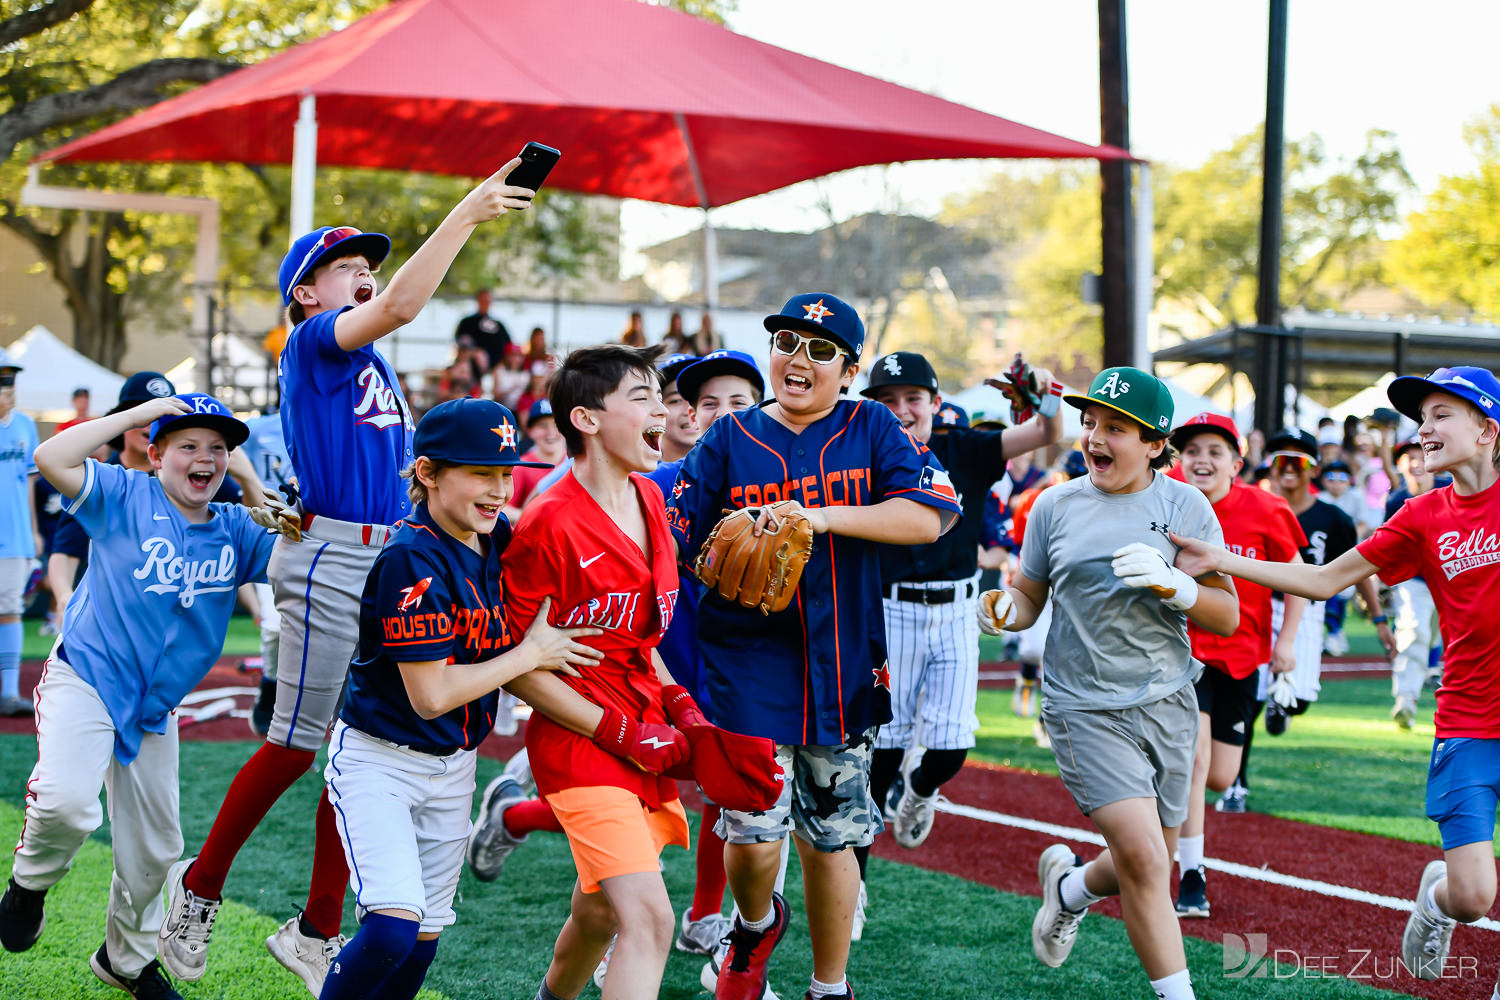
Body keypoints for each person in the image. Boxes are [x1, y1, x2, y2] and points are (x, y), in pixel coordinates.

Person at [159, 153, 541, 995]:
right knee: (298, 744)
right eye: (346, 270)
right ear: (305, 294)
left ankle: (318, 929)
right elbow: (407, 301)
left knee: (356, 741)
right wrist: (468, 212)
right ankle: (198, 889)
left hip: (375, 550)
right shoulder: (314, 343)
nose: (368, 279)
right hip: (336, 558)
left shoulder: (367, 364)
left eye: (369, 267)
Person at [666, 294, 963, 1000]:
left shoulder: (873, 426)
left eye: (821, 350)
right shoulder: (730, 437)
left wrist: (817, 517)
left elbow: (928, 519)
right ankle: (756, 923)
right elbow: (678, 537)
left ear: (850, 369)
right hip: (746, 661)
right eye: (788, 342)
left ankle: (831, 986)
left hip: (844, 662)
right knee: (753, 833)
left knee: (834, 838)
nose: (799, 359)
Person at [1169, 366, 1500, 986]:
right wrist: (1223, 558)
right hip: (1469, 724)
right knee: (1475, 897)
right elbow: (1322, 581)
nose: (1423, 428)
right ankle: (1439, 899)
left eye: (1440, 415)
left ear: (1487, 429)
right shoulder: (1421, 517)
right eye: (1421, 416)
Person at [316, 397, 598, 1000]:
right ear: (427, 472)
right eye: (480, 473)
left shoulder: (498, 540)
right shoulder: (410, 557)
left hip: (456, 763)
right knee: (393, 929)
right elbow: (431, 695)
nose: (498, 489)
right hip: (381, 760)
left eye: (503, 473)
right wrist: (527, 656)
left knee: (424, 940)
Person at [0, 393, 275, 1000]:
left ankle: (125, 963)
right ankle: (28, 884)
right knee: (68, 804)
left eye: (218, 449)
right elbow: (50, 454)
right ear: (155, 454)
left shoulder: (234, 526)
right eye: (187, 446)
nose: (204, 459)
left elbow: (298, 550)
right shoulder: (124, 494)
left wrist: (251, 475)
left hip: (155, 707)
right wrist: (133, 418)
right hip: (89, 678)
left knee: (154, 852)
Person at [978, 367, 1238, 1000]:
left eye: (1115, 427)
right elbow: (1029, 597)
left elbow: (1226, 615)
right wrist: (1002, 610)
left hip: (1170, 700)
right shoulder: (1055, 504)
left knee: (1145, 860)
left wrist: (1177, 586)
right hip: (1083, 707)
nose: (1096, 437)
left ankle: (1069, 890)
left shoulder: (1186, 506)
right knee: (1148, 861)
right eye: (1092, 423)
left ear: (1155, 445)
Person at [503, 343, 698, 1000]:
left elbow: (640, 639)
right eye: (642, 397)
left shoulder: (649, 496)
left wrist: (677, 702)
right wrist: (616, 732)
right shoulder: (547, 525)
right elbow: (517, 668)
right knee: (649, 918)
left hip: (640, 724)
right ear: (586, 420)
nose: (662, 410)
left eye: (660, 396)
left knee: (601, 911)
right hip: (580, 740)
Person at [853, 350, 1063, 937]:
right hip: (889, 610)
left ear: (935, 403)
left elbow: (1047, 430)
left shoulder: (963, 447)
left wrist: (1042, 391)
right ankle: (857, 885)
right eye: (887, 401)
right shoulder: (862, 453)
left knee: (949, 749)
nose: (901, 410)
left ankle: (919, 793)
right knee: (881, 754)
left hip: (956, 610)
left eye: (913, 398)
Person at [1166, 412, 1305, 920]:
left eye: (1214, 451)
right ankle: (1193, 876)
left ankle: (1169, 809)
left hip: (1243, 657)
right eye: (1193, 450)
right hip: (1182, 653)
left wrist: (1286, 640)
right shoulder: (1165, 501)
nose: (1202, 460)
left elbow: (1296, 579)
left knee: (1221, 777)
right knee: (1195, 761)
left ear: (1237, 462)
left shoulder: (1267, 508)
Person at [46, 372, 180, 625]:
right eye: (144, 412)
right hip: (110, 618)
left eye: (161, 416)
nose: (150, 423)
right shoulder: (98, 480)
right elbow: (66, 549)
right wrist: (64, 596)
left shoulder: (190, 479)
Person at [1382, 439, 1445, 728]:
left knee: (1439, 637)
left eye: (1422, 455)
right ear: (1399, 465)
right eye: (1409, 458)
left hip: (1453, 579)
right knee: (1413, 631)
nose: (1417, 463)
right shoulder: (1396, 501)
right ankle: (1406, 700)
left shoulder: (1451, 485)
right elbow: (1387, 545)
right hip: (1415, 580)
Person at [0, 350, 40, 717]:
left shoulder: (25, 425)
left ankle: (9, 692)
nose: (6, 386)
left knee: (10, 609)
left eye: (9, 377)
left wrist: (33, 531)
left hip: (13, 536)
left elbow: (28, 481)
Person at [502, 399, 567, 519]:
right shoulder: (521, 467)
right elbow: (502, 507)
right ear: (531, 431)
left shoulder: (577, 462)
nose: (551, 432)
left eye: (557, 425)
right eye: (542, 426)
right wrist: (529, 517)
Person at [453, 289, 511, 368]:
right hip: (472, 367)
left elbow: (508, 345)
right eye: (482, 300)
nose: (485, 303)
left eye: (487, 301)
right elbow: (461, 343)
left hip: (496, 368)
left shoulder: (499, 325)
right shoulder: (467, 322)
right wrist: (474, 353)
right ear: (477, 301)